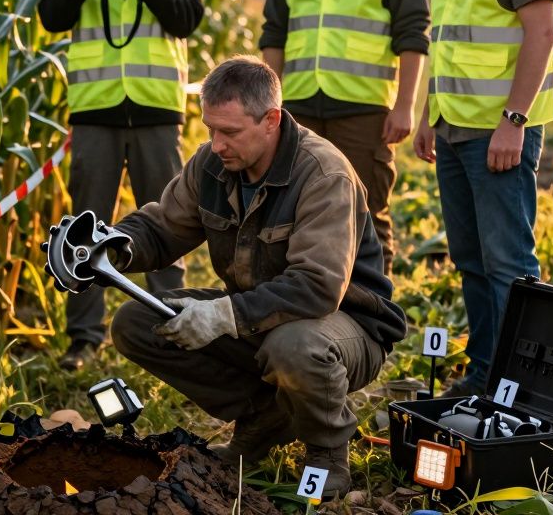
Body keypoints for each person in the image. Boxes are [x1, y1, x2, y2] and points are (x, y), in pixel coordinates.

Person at [101, 56, 407, 499]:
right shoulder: (211, 164)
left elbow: (317, 286)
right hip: (259, 316)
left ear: (271, 121)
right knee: (137, 322)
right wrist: (108, 247)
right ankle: (265, 418)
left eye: (230, 132)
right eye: (210, 129)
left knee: (294, 347)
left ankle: (326, 452)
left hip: (345, 326)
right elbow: (162, 227)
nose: (216, 144)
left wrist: (223, 315)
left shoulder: (323, 173)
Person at [404, 0, 553, 397]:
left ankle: (517, 390)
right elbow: (447, 36)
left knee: (509, 265)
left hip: (499, 132)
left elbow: (541, 33)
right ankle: (482, 376)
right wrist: (430, 113)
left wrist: (513, 121)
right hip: (452, 128)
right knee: (471, 261)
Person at [38, 0, 204, 371]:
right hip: (96, 112)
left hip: (156, 111)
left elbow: (187, 20)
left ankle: (171, 329)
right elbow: (51, 17)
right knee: (83, 229)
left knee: (170, 222)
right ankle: (83, 339)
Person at [259, 0, 430, 276]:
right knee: (294, 215)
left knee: (366, 215)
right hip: (299, 109)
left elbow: (413, 31)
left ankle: (374, 312)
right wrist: (267, 107)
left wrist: (405, 106)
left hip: (365, 109)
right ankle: (305, 308)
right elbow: (274, 32)